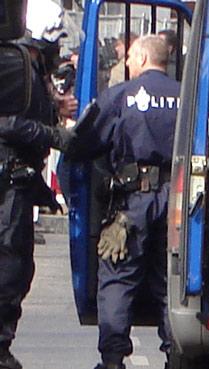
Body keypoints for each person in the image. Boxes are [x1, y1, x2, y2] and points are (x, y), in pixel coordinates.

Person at [68, 35, 180, 369]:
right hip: (176, 202)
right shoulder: (186, 97)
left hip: (133, 202)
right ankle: (175, 355)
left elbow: (84, 143)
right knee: (169, 281)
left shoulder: (122, 95)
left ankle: (113, 359)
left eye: (130, 57)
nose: (127, 63)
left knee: (117, 276)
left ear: (144, 58)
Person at [0, 1, 75, 368]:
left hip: (19, 180)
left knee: (17, 267)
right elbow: (9, 122)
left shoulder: (28, 66)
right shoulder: (14, 63)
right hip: (8, 181)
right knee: (10, 265)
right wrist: (55, 134)